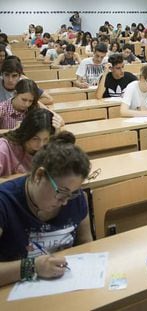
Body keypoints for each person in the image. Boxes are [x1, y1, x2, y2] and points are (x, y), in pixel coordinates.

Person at [0, 131, 92, 286]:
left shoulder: (75, 198)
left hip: (63, 285)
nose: (64, 202)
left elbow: (85, 243)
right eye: (61, 192)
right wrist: (32, 267)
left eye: (72, 193)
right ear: (39, 175)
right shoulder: (4, 202)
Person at [0, 108, 56, 177]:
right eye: (35, 139)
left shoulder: (48, 148)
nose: (40, 145)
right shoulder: (3, 148)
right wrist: (21, 178)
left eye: (46, 139)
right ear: (26, 133)